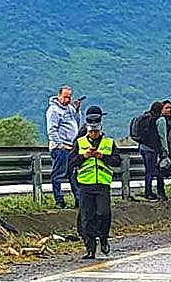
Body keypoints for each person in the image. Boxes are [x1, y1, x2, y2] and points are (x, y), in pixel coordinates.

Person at [68, 114, 121, 259]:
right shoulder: (79, 143)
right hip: (85, 184)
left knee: (104, 214)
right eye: (91, 131)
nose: (93, 134)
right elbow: (71, 162)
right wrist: (83, 156)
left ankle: (103, 238)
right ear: (87, 130)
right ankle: (90, 248)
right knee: (87, 217)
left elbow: (117, 161)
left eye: (95, 131)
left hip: (103, 184)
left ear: (100, 129)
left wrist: (102, 156)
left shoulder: (108, 143)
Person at [46, 85, 82, 208]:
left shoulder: (70, 109)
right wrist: (60, 145)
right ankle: (59, 200)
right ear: (59, 96)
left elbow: (76, 123)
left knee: (73, 174)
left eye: (69, 97)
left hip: (70, 147)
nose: (67, 100)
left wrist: (77, 110)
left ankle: (78, 199)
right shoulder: (54, 110)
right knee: (59, 174)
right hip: (61, 148)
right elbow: (52, 130)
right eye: (65, 97)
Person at [135, 101, 167, 200]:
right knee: (154, 171)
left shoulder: (146, 116)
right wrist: (165, 150)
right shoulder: (160, 120)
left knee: (148, 171)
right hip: (152, 149)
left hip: (142, 146)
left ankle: (148, 191)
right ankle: (152, 192)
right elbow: (162, 136)